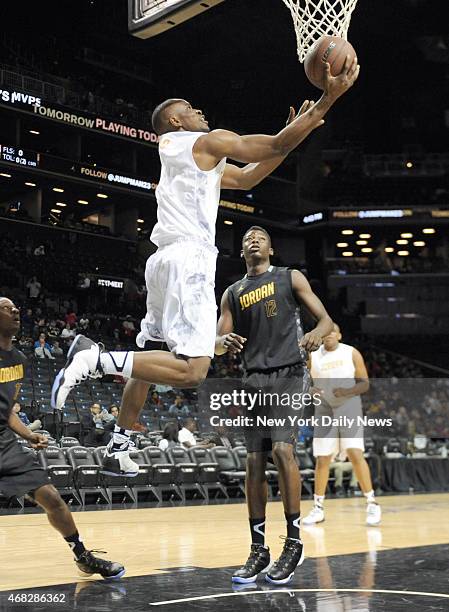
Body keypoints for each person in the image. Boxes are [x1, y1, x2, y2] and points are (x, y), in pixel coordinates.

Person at [51, 58, 359, 479]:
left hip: (162, 260)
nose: (202, 113)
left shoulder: (190, 158)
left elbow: (250, 176)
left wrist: (292, 135)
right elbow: (270, 146)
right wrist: (327, 100)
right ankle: (97, 358)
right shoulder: (203, 141)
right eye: (193, 109)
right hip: (189, 260)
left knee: (149, 356)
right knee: (193, 371)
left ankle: (118, 444)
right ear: (177, 120)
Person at [216, 226, 333, 585]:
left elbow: (328, 321)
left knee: (282, 450)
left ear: (271, 247)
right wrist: (221, 340)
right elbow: (218, 344)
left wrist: (316, 333)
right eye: (248, 238)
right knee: (253, 461)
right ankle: (258, 549)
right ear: (241, 252)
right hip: (254, 378)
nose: (253, 239)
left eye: (260, 236)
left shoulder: (289, 277)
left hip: (290, 374)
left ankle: (294, 542)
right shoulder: (232, 293)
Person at [0, 297, 124, 578]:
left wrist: (29, 434)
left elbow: (8, 412)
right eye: (7, 308)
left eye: (16, 308)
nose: (15, 311)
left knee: (52, 497)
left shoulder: (18, 361)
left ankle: (83, 557)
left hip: (4, 443)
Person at [303, 324, 381, 526]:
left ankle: (372, 503)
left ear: (339, 334)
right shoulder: (313, 355)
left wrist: (346, 392)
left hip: (349, 406)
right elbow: (305, 381)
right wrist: (310, 391)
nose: (328, 335)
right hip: (324, 410)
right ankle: (318, 508)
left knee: (355, 453)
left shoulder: (351, 352)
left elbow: (364, 383)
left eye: (332, 332)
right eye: (325, 332)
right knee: (322, 459)